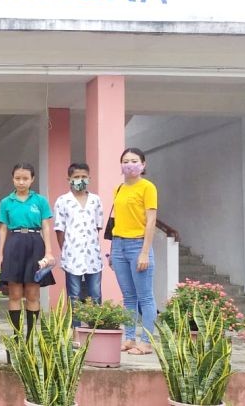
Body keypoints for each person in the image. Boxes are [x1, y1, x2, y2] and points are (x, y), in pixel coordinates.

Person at [0, 163, 55, 343]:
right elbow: (3, 229)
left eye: (25, 179)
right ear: (12, 179)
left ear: (32, 180)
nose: (21, 182)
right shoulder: (6, 202)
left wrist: (49, 252)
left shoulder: (40, 201)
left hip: (35, 244)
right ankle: (16, 336)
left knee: (32, 293)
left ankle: (30, 337)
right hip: (13, 244)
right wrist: (0, 255)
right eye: (17, 178)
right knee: (14, 294)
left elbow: (46, 226)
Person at [110, 147, 158, 355]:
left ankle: (146, 341)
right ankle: (130, 338)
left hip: (138, 244)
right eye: (126, 161)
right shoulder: (119, 189)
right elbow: (115, 221)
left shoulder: (148, 187)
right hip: (119, 244)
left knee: (145, 297)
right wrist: (113, 250)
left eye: (134, 160)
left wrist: (145, 252)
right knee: (128, 296)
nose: (129, 164)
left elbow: (151, 221)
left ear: (143, 164)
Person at [54, 162, 104, 327]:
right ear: (69, 179)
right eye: (76, 177)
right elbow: (59, 229)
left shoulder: (95, 200)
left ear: (89, 178)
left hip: (92, 255)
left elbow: (97, 225)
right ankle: (75, 329)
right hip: (72, 255)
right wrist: (66, 250)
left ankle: (95, 328)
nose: (80, 180)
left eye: (83, 177)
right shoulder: (63, 201)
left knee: (95, 294)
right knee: (74, 295)